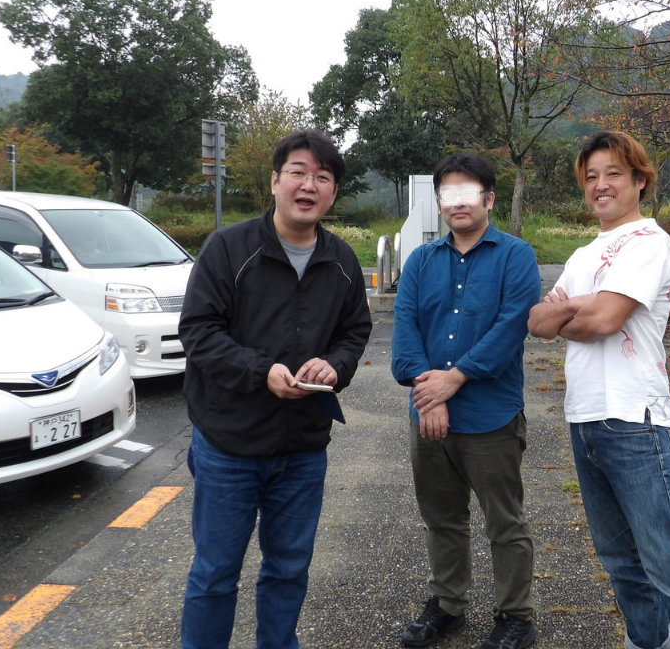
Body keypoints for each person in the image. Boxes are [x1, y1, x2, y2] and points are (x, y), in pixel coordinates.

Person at [527, 130, 670, 649]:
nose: (601, 185)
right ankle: (647, 642)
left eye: (613, 173)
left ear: (640, 180)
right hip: (585, 417)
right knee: (620, 562)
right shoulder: (582, 254)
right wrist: (586, 307)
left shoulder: (650, 243)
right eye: (591, 176)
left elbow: (604, 321)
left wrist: (575, 310)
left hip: (638, 420)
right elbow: (537, 322)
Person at [178, 129, 372, 649]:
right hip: (229, 444)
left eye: (322, 177)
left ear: (333, 192)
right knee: (215, 572)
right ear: (274, 182)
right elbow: (198, 331)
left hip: (303, 446)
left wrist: (335, 366)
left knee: (288, 568)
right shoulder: (228, 248)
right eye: (298, 173)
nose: (309, 185)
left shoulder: (341, 259)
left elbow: (354, 332)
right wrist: (261, 371)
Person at [391, 153, 541, 649]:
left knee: (505, 522)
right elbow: (406, 330)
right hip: (428, 417)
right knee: (442, 518)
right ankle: (448, 604)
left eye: (468, 192)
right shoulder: (420, 261)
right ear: (439, 203)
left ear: (489, 199)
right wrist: (429, 395)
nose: (457, 203)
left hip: (490, 416)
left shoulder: (516, 256)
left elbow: (511, 327)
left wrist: (455, 379)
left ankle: (516, 615)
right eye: (448, 194)